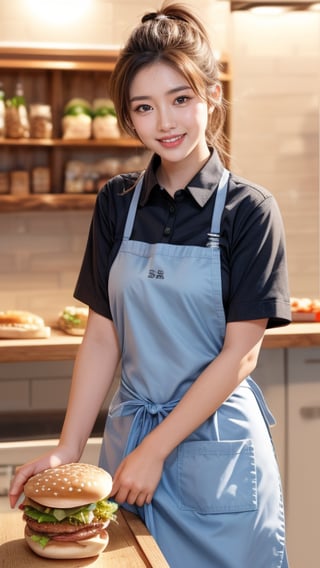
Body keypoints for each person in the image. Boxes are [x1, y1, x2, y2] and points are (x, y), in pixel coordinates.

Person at [9, 2, 291, 566]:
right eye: (145, 106)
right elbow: (102, 338)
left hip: (216, 452)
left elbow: (241, 355)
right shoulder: (117, 202)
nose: (165, 122)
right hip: (130, 443)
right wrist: (69, 449)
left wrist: (157, 449)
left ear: (211, 96)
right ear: (130, 118)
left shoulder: (249, 210)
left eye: (180, 99)